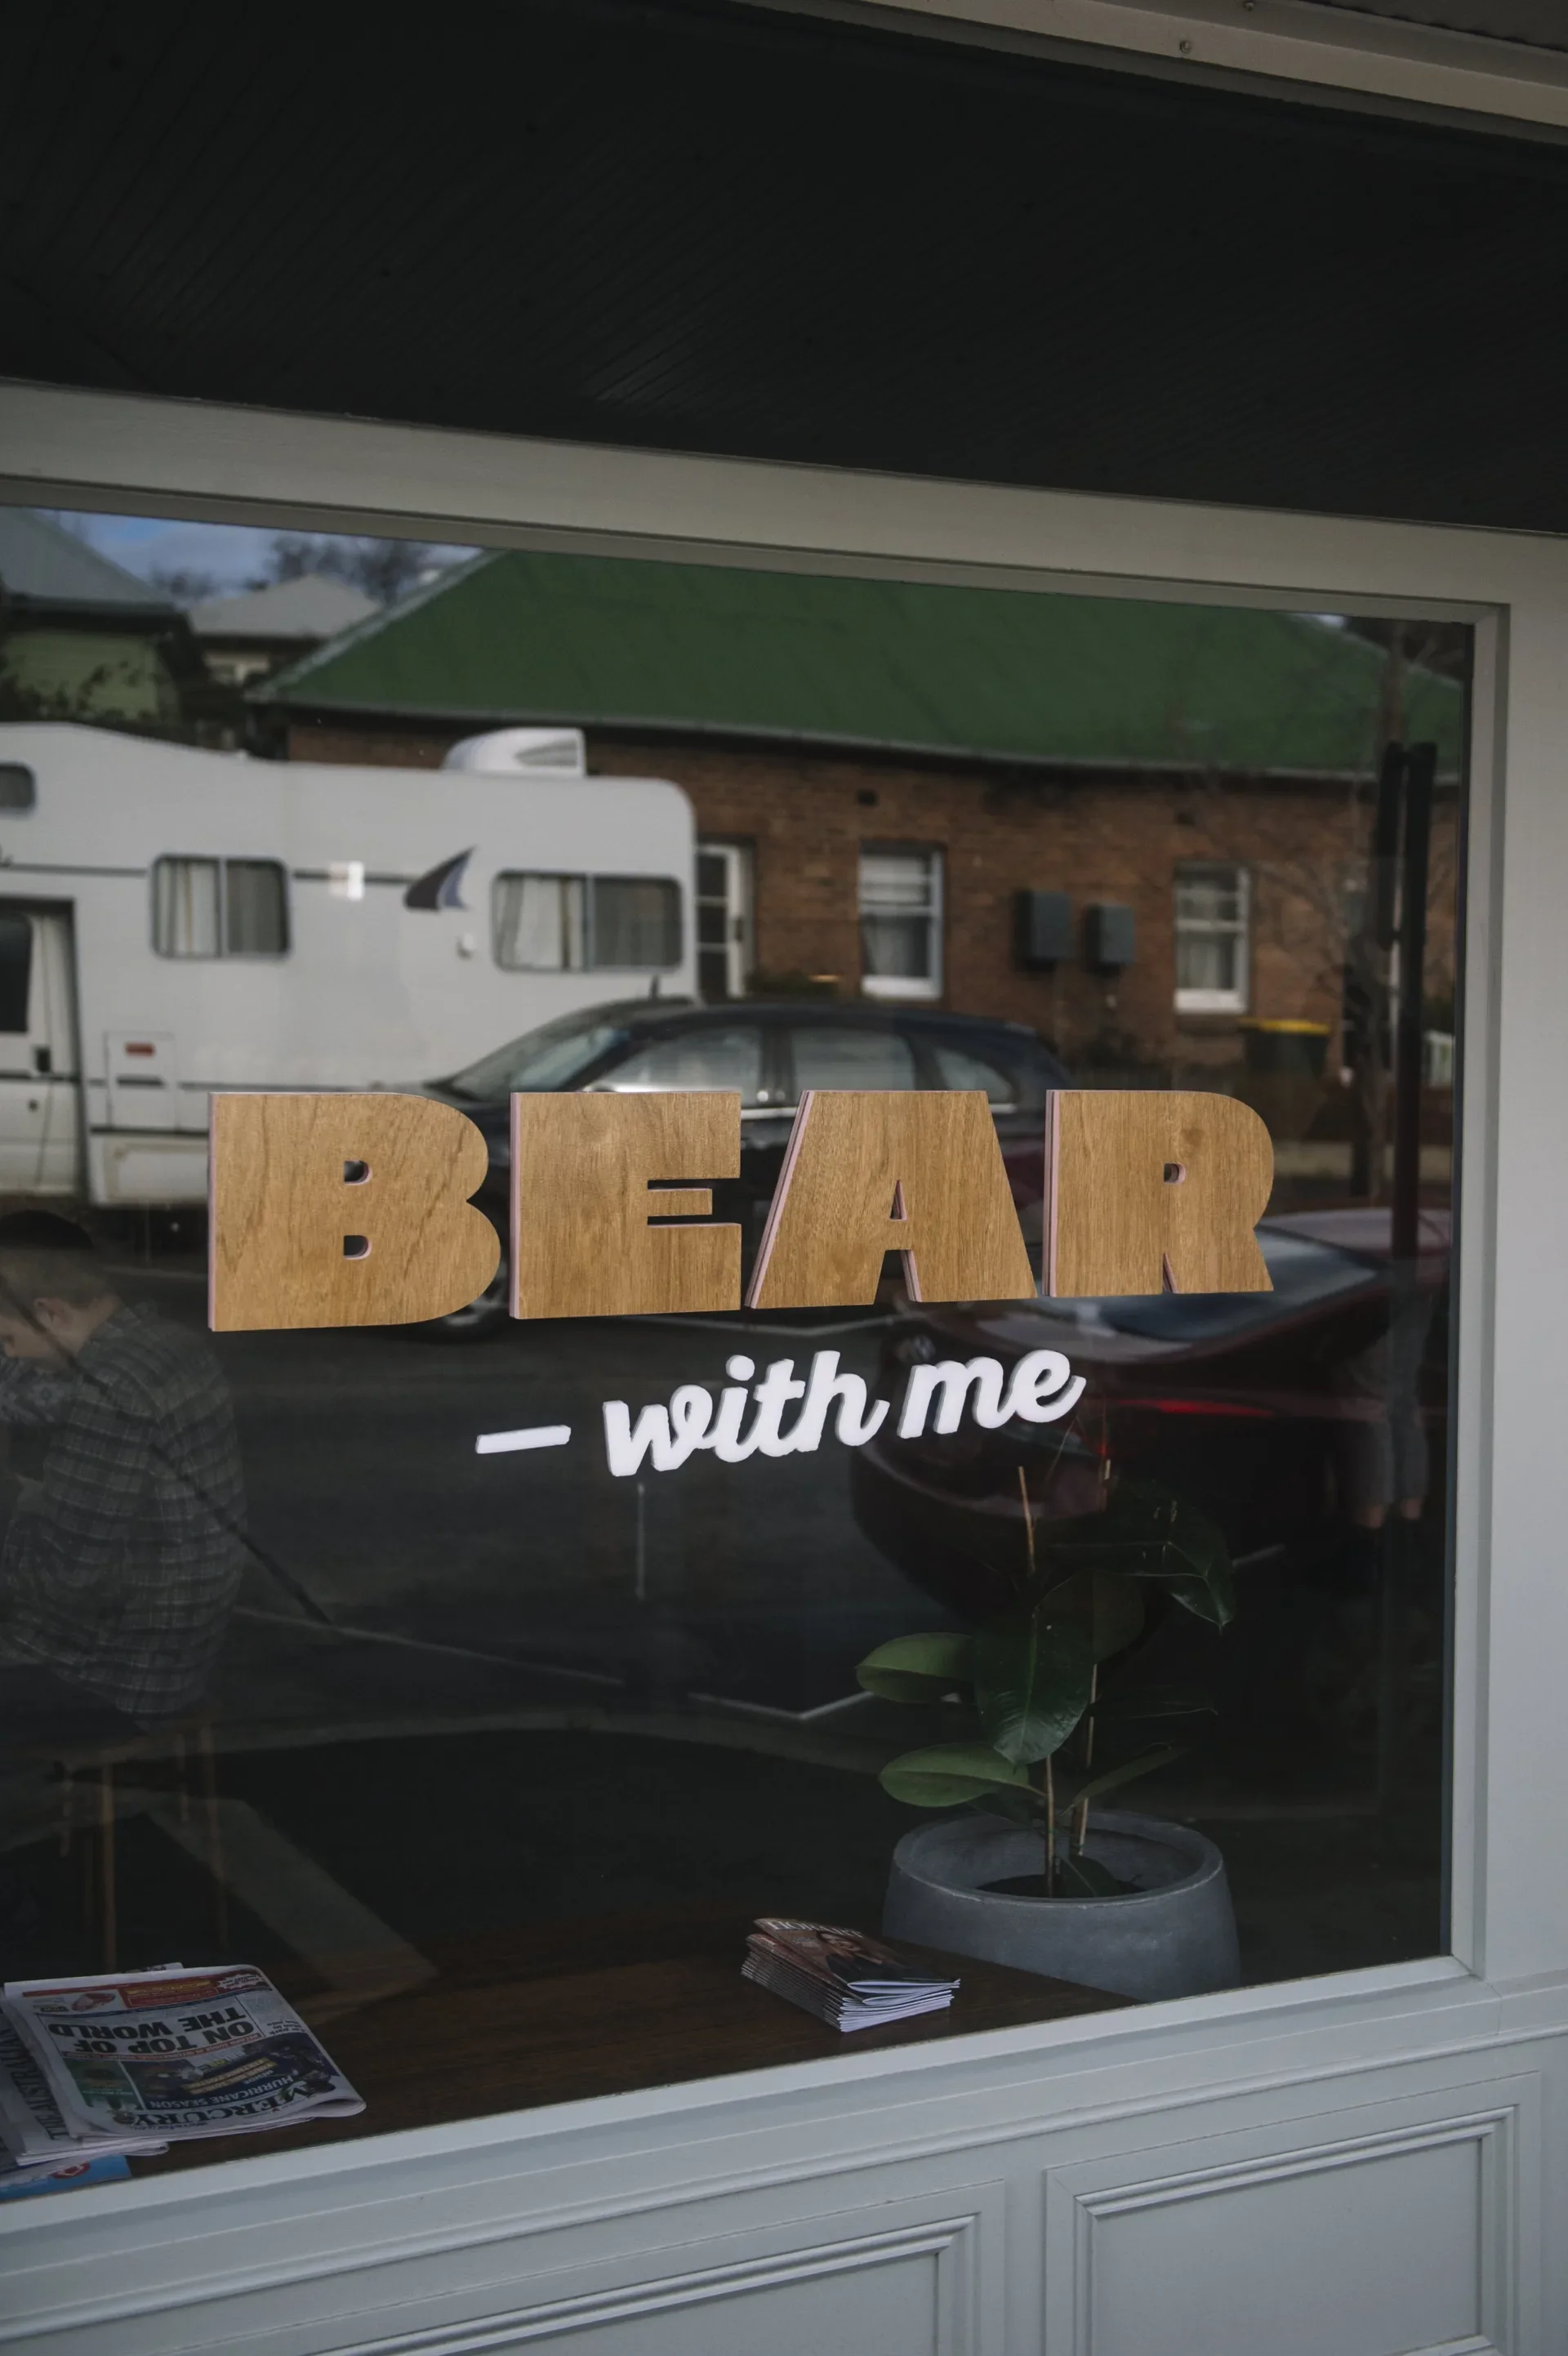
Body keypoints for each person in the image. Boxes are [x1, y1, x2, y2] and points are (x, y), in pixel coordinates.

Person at [0, 1214, 245, 1744]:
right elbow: (26, 1386)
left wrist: (14, 1506)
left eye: (7, 1338)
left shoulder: (107, 1394)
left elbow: (68, 1582)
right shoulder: (163, 1342)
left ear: (49, 1311)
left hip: (121, 1675)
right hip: (182, 1640)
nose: (8, 1354)